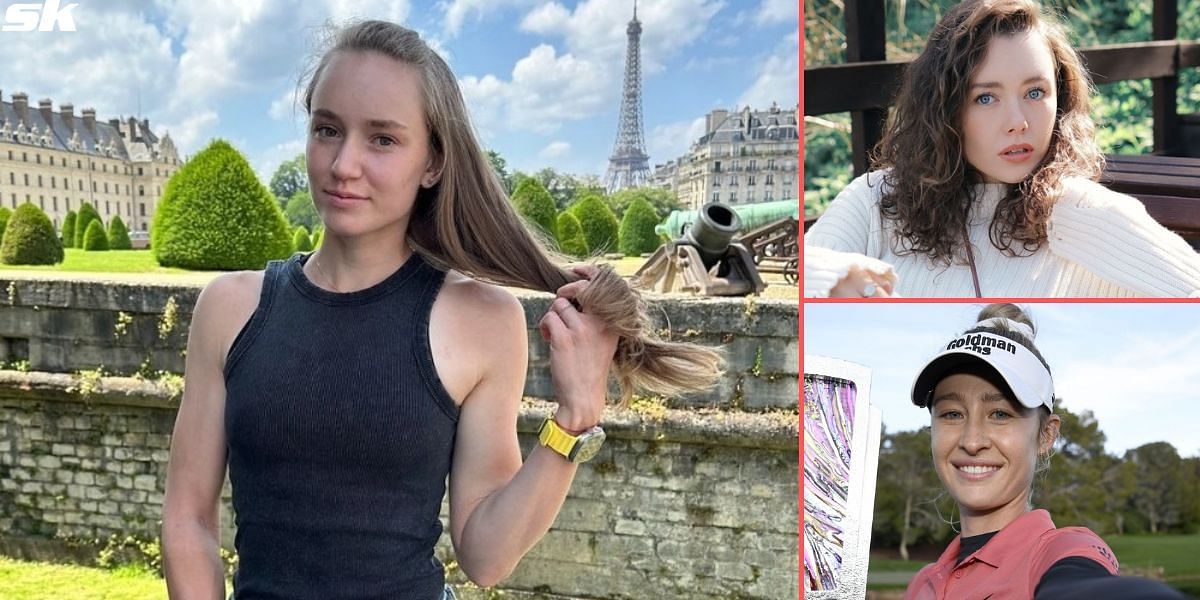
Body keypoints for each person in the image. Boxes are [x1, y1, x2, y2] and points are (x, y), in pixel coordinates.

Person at [160, 20, 722, 600]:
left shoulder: (482, 320)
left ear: (432, 163)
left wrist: (575, 418)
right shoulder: (229, 309)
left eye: (382, 139)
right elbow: (188, 519)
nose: (343, 164)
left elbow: (485, 555)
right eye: (328, 129)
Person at [804, 0, 1200, 298]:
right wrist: (835, 280)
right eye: (986, 98)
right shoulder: (875, 202)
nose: (1018, 121)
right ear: (944, 110)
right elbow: (802, 275)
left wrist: (1098, 228)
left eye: (1035, 92)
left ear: (1059, 97)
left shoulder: (1087, 212)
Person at [904, 303, 1185, 599]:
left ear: (1046, 435)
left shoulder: (1063, 551)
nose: (972, 442)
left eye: (1000, 414)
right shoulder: (922, 583)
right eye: (952, 414)